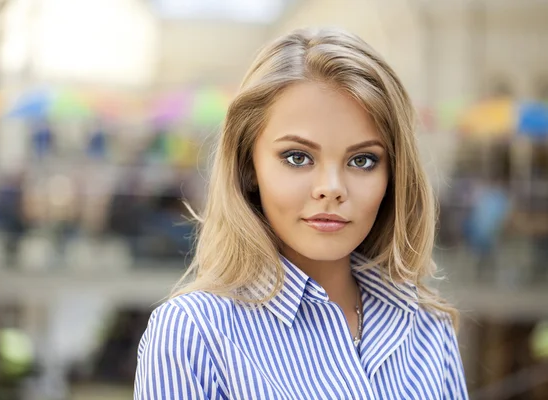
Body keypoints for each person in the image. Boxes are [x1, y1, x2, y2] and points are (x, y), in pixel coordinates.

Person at [134, 28, 468, 399]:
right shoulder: (192, 334)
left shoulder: (425, 327)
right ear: (249, 166)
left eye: (362, 160)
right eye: (297, 157)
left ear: (394, 174)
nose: (331, 187)